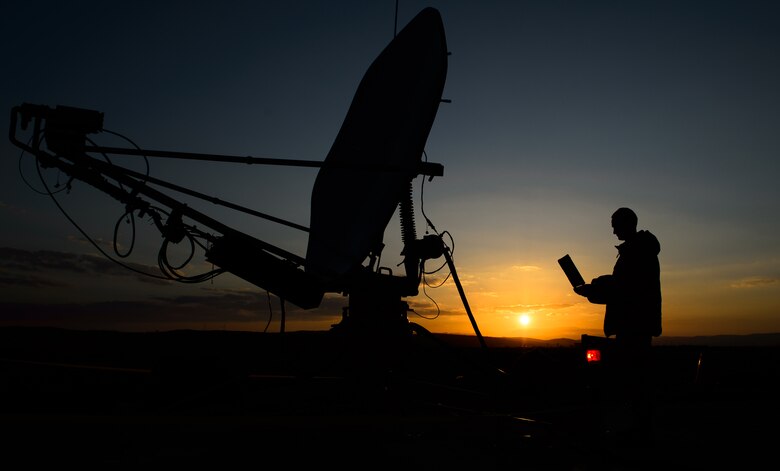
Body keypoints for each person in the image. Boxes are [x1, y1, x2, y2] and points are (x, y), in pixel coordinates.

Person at [573, 207, 662, 445]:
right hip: (635, 324)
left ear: (626, 224)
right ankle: (637, 430)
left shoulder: (636, 252)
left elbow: (622, 288)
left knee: (632, 380)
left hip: (633, 324)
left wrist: (590, 290)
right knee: (633, 379)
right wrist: (594, 286)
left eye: (615, 225)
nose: (612, 231)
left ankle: (637, 435)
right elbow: (620, 283)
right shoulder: (639, 250)